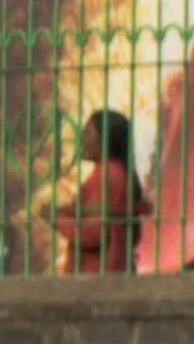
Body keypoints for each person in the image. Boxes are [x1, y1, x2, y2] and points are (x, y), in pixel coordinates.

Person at [52, 108, 149, 276]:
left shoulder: (106, 175)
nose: (81, 139)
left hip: (95, 275)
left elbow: (93, 233)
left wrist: (56, 217)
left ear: (106, 139)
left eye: (88, 133)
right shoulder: (116, 172)